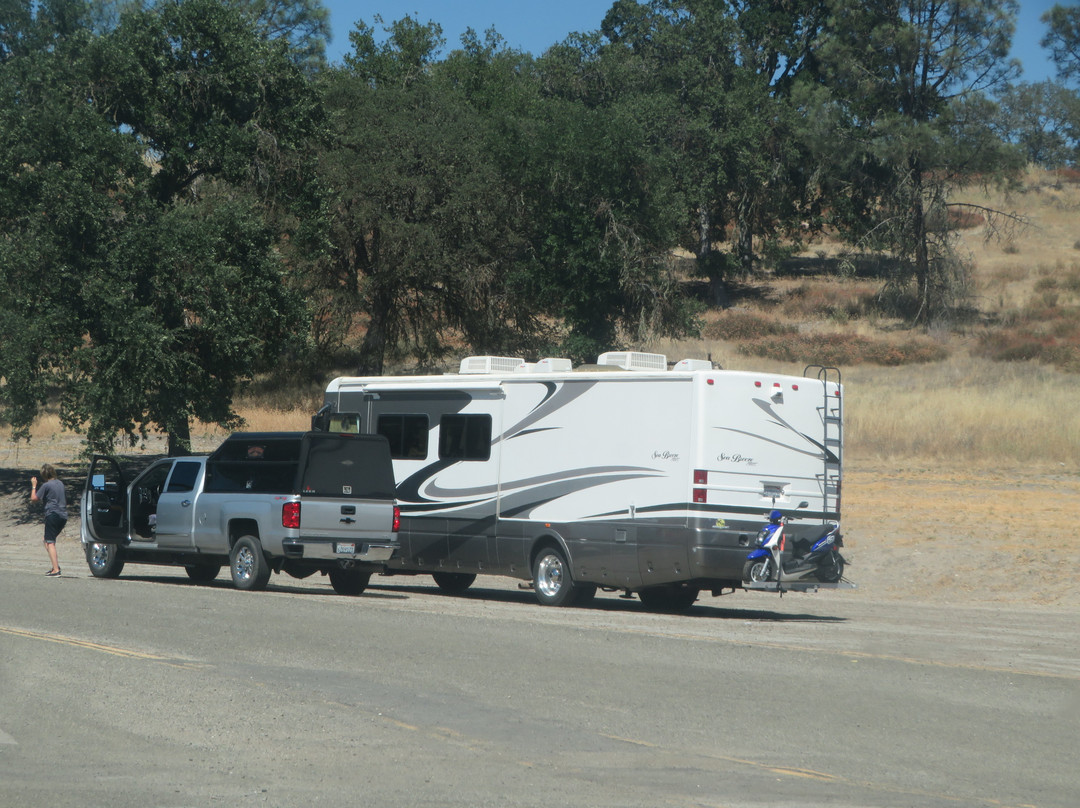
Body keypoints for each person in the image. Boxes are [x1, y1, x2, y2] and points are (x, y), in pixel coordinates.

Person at [31, 463, 67, 577]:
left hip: (53, 515)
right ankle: (55, 565)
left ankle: (56, 570)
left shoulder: (47, 485)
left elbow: (34, 498)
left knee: (50, 542)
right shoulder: (60, 483)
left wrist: (34, 486)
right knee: (46, 540)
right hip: (63, 516)